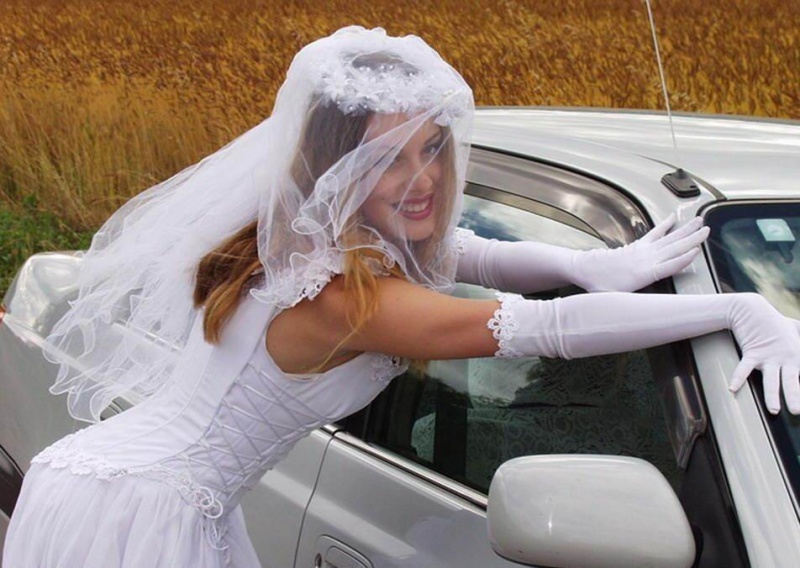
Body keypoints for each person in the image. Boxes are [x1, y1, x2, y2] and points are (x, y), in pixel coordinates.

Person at [3, 25, 800, 568]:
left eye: (432, 148)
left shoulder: (317, 235)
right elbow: (546, 329)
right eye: (389, 158)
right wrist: (740, 309)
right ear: (339, 167)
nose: (421, 179)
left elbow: (472, 254)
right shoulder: (347, 302)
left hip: (125, 484)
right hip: (143, 508)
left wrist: (589, 263)